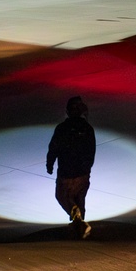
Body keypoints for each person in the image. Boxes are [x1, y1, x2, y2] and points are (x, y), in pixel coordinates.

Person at [46, 96, 96, 238]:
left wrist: (49, 164)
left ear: (68, 111)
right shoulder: (88, 128)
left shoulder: (62, 128)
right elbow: (91, 151)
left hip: (66, 173)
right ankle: (80, 229)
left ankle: (78, 222)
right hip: (83, 173)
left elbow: (53, 148)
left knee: (62, 196)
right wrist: (87, 168)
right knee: (80, 198)